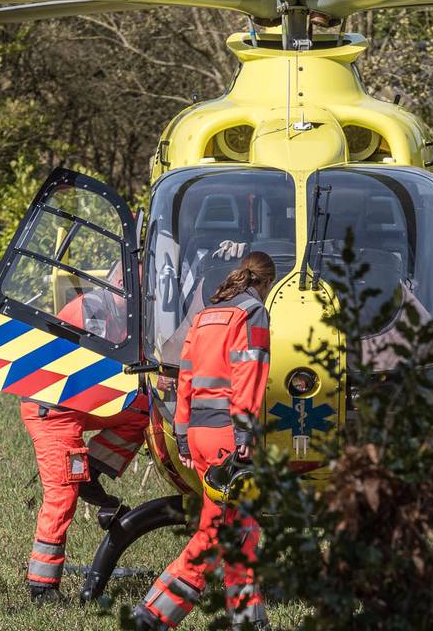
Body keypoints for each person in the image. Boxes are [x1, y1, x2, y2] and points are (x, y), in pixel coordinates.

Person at [134, 251, 275, 631]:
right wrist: (245, 432)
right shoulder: (253, 313)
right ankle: (154, 613)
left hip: (198, 432)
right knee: (215, 532)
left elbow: (185, 378)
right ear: (265, 283)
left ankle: (249, 621)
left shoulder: (204, 316)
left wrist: (181, 435)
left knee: (243, 528)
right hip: (228, 436)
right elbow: (249, 375)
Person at [19, 277, 150, 603]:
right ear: (121, 282)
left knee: (141, 412)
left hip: (81, 400)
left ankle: (93, 469)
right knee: (61, 497)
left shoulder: (122, 311)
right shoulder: (90, 309)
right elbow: (94, 360)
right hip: (52, 410)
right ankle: (42, 585)